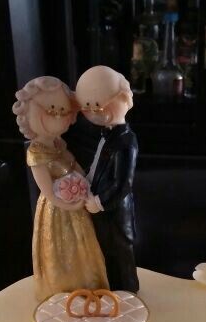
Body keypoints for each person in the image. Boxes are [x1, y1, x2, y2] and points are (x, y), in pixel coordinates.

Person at [13, 76, 109, 301]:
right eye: (53, 111)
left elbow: (74, 164)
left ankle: (88, 288)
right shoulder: (36, 153)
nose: (62, 118)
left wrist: (84, 182)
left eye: (65, 111)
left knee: (82, 248)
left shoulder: (59, 144)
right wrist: (66, 202)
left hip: (77, 205)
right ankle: (63, 292)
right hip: (57, 211)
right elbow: (47, 191)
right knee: (61, 249)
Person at [75, 66, 139, 293]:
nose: (97, 113)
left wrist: (99, 201)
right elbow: (96, 167)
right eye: (89, 109)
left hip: (115, 210)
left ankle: (129, 294)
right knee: (106, 252)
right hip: (101, 209)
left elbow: (123, 183)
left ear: (123, 98)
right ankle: (112, 292)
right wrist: (86, 179)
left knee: (122, 254)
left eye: (101, 106)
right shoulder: (107, 136)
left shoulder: (125, 141)